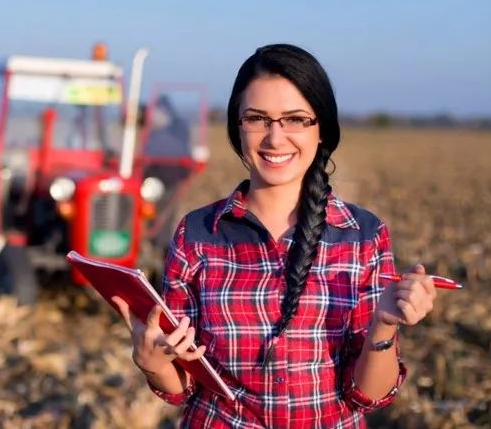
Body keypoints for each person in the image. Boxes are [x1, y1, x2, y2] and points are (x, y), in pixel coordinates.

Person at [112, 44, 437, 427]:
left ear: (322, 129)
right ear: (237, 126)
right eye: (257, 118)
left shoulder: (363, 236)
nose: (275, 138)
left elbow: (369, 395)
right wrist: (154, 363)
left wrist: (383, 323)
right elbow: (185, 386)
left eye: (296, 119)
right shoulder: (197, 234)